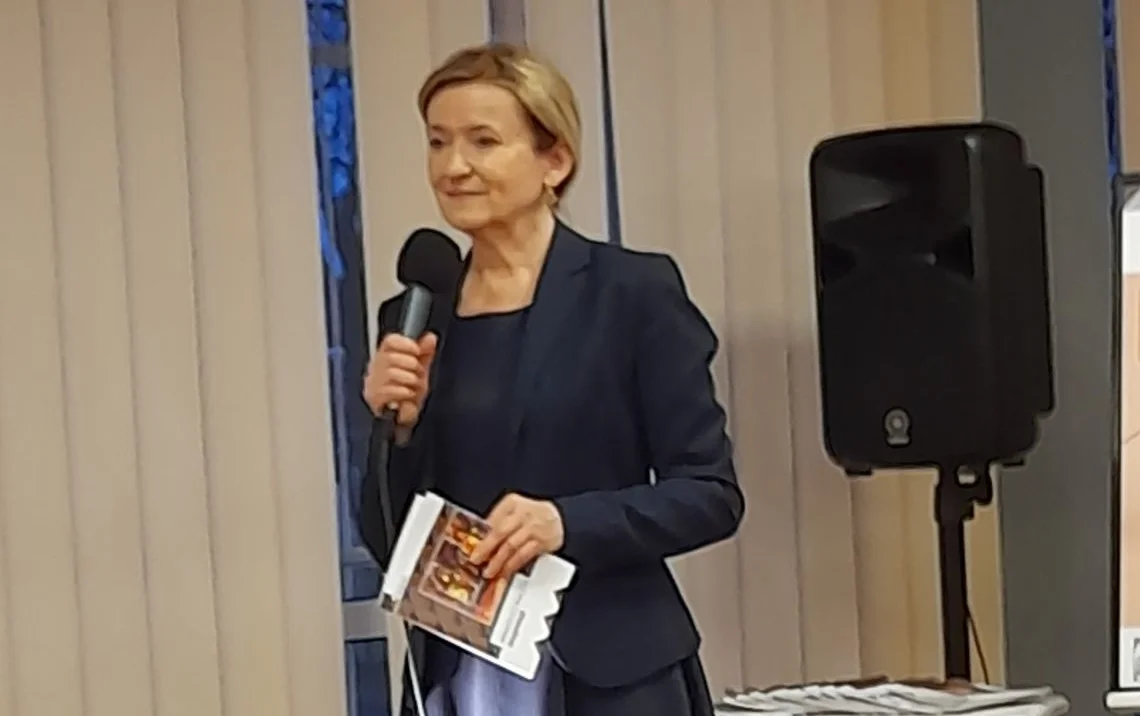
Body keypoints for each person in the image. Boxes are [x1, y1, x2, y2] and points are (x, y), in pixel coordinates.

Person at [358, 42, 744, 716]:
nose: (453, 166)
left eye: (483, 141)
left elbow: (710, 494)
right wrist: (398, 432)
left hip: (613, 678)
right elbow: (387, 534)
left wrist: (566, 522)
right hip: (461, 670)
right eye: (438, 142)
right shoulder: (415, 315)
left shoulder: (630, 293)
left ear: (554, 161)